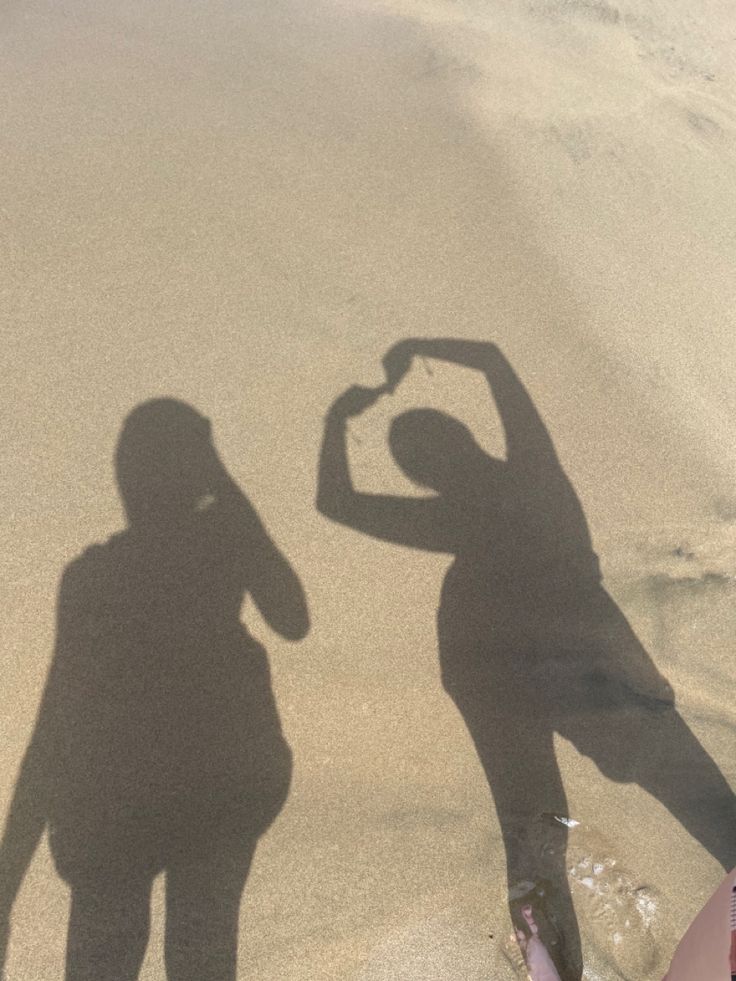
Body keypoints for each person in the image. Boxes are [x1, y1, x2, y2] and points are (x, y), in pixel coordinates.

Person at [317, 338, 735, 980]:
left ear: (418, 476)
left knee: (531, 830)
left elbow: (335, 502)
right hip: (576, 659)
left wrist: (338, 419)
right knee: (695, 790)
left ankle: (549, 971)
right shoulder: (537, 481)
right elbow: (491, 359)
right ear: (464, 443)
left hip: (480, 664)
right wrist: (415, 351)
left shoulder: (449, 522)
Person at [0, 399, 309, 981]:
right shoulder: (210, 554)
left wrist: (8, 877)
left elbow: (54, 728)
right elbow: (291, 616)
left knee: (143, 961)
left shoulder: (104, 574)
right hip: (184, 795)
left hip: (148, 801)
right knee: (196, 959)